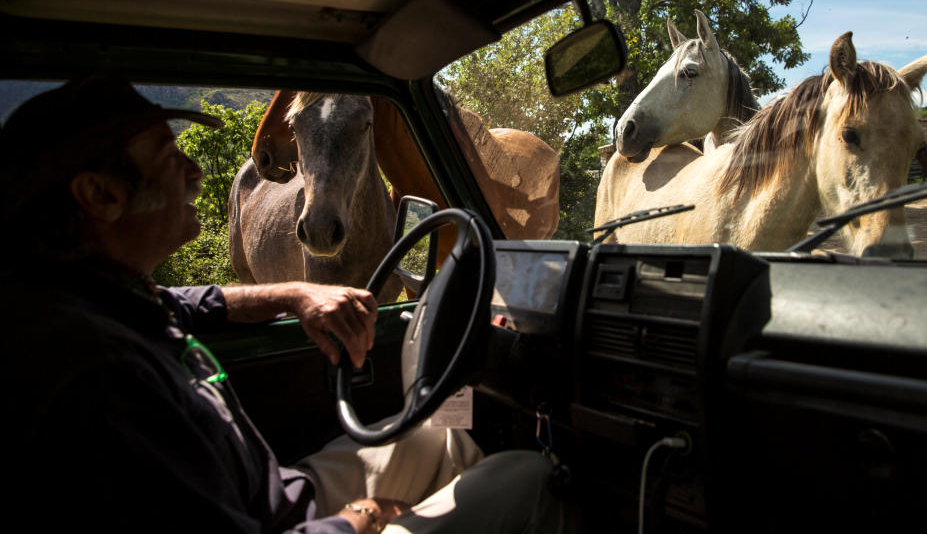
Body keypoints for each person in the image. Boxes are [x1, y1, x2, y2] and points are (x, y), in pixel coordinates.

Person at [0, 72, 565, 533]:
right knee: (531, 479)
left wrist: (295, 292)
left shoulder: (102, 296)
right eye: (167, 155)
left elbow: (192, 302)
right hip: (286, 523)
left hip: (273, 492)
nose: (195, 171)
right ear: (101, 195)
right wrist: (362, 518)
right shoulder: (102, 378)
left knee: (441, 436)